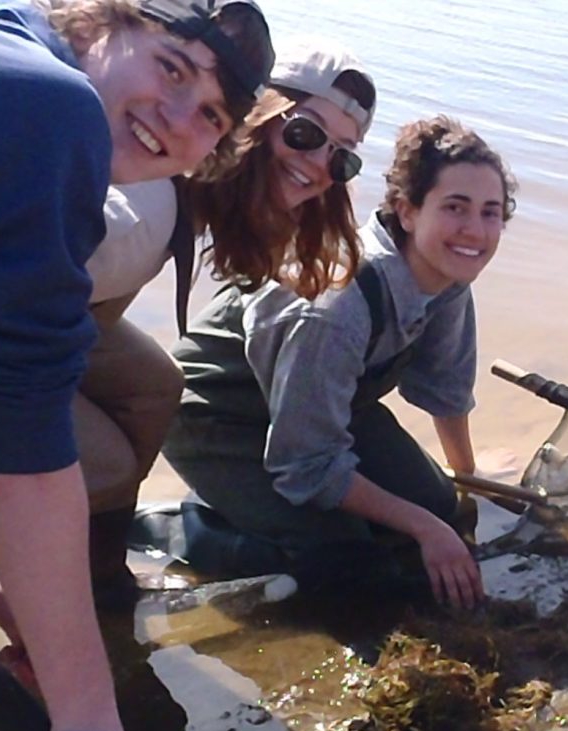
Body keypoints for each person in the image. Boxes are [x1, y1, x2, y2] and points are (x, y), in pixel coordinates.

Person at [0, 0, 272, 731]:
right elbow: (20, 432)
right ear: (104, 23)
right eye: (172, 67)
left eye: (213, 116)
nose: (180, 115)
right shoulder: (51, 108)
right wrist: (88, 718)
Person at [162, 116, 511, 610]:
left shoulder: (449, 273)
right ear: (406, 211)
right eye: (455, 208)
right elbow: (305, 465)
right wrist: (425, 528)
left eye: (490, 212)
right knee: (345, 561)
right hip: (217, 415)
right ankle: (195, 527)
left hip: (323, 404)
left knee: (437, 505)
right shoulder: (336, 307)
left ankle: (265, 507)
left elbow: (445, 388)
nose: (474, 231)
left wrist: (465, 483)